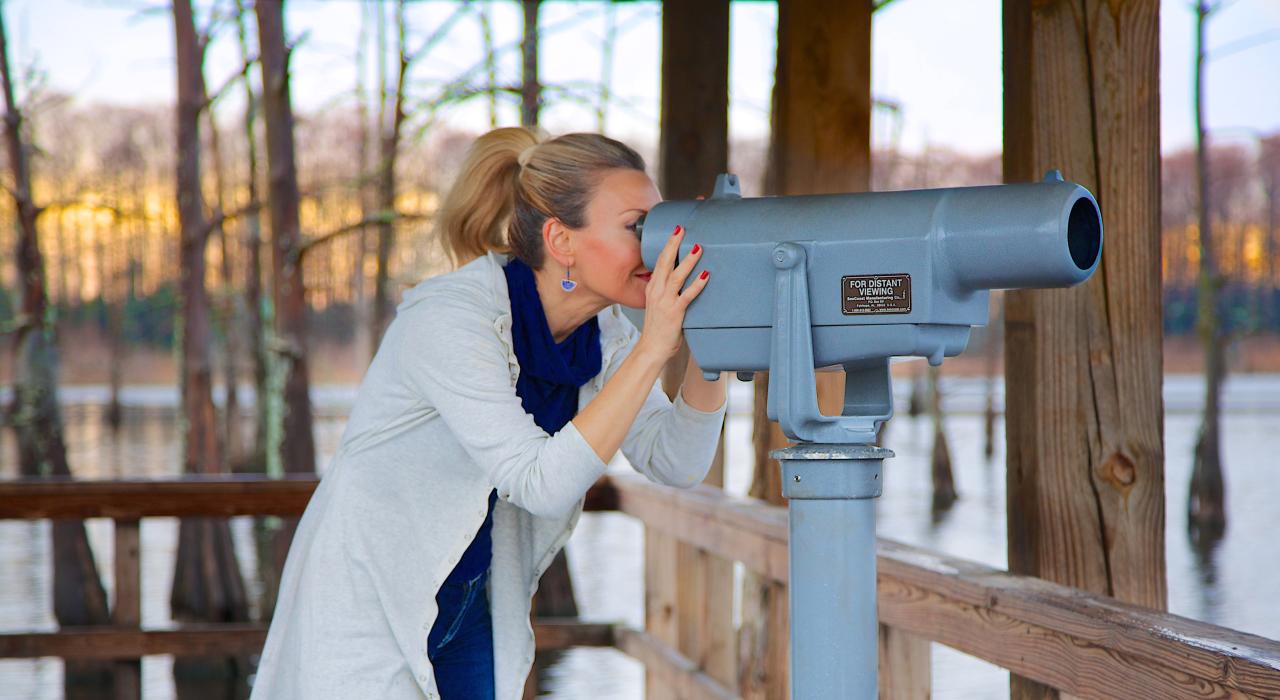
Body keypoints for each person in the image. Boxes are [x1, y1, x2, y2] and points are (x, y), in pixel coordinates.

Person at [249, 127, 727, 700]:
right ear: (562, 241)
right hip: (370, 602)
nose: (657, 244)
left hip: (470, 602)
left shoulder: (603, 334)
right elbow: (538, 483)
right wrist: (655, 347)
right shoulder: (452, 318)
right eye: (636, 227)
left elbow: (676, 461)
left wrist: (721, 336)